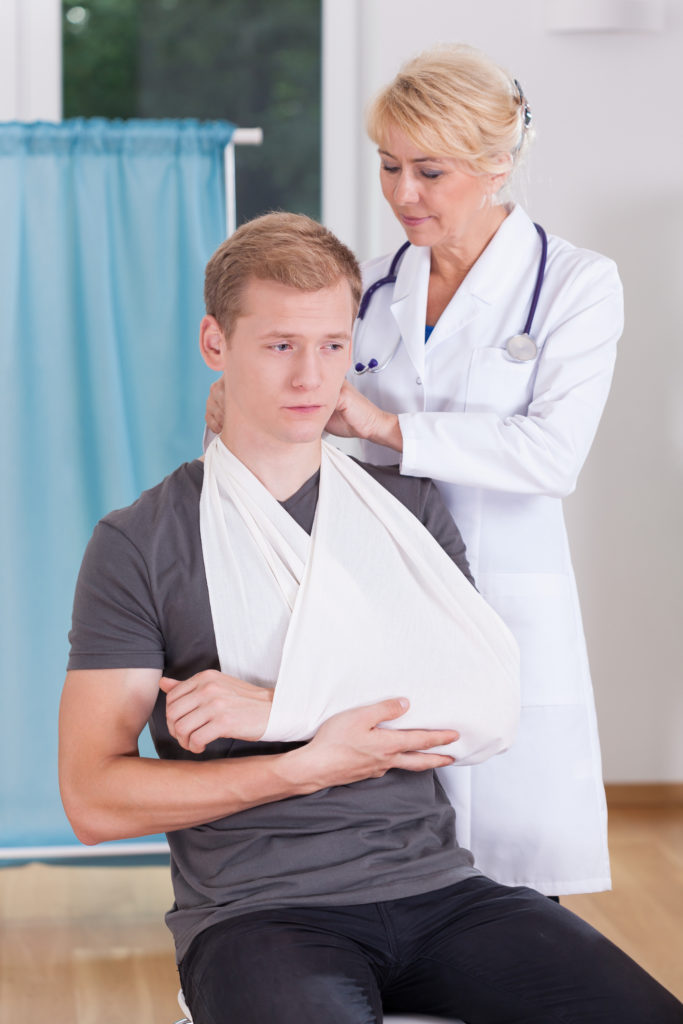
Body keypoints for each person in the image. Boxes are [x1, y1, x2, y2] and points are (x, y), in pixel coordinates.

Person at [59, 212, 682, 1024]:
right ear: (216, 343)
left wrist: (281, 708)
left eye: (330, 344)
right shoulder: (140, 541)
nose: (311, 377)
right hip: (259, 914)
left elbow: (484, 704)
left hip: (444, 891)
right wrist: (301, 762)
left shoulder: (409, 509)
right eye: (279, 345)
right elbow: (94, 801)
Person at [205, 44, 624, 898]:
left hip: (505, 592)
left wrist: (384, 424)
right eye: (389, 166)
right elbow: (305, 401)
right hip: (381, 583)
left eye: (429, 171)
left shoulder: (574, 285)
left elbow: (551, 455)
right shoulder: (369, 286)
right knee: (391, 842)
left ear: (497, 164)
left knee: (511, 869)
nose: (401, 194)